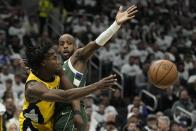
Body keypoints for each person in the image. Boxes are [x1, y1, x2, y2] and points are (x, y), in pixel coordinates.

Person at [54, 5, 138, 131]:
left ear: (76, 46)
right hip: (61, 113)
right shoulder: (60, 68)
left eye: (69, 43)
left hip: (72, 112)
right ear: (58, 48)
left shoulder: (78, 57)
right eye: (62, 44)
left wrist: (115, 25)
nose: (65, 46)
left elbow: (95, 44)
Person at [19, 39, 117, 131]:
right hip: (30, 126)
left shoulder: (57, 71)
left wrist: (77, 112)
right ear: (44, 63)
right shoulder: (33, 87)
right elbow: (66, 96)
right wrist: (97, 85)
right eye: (54, 58)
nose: (59, 61)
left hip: (48, 125)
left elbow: (72, 94)